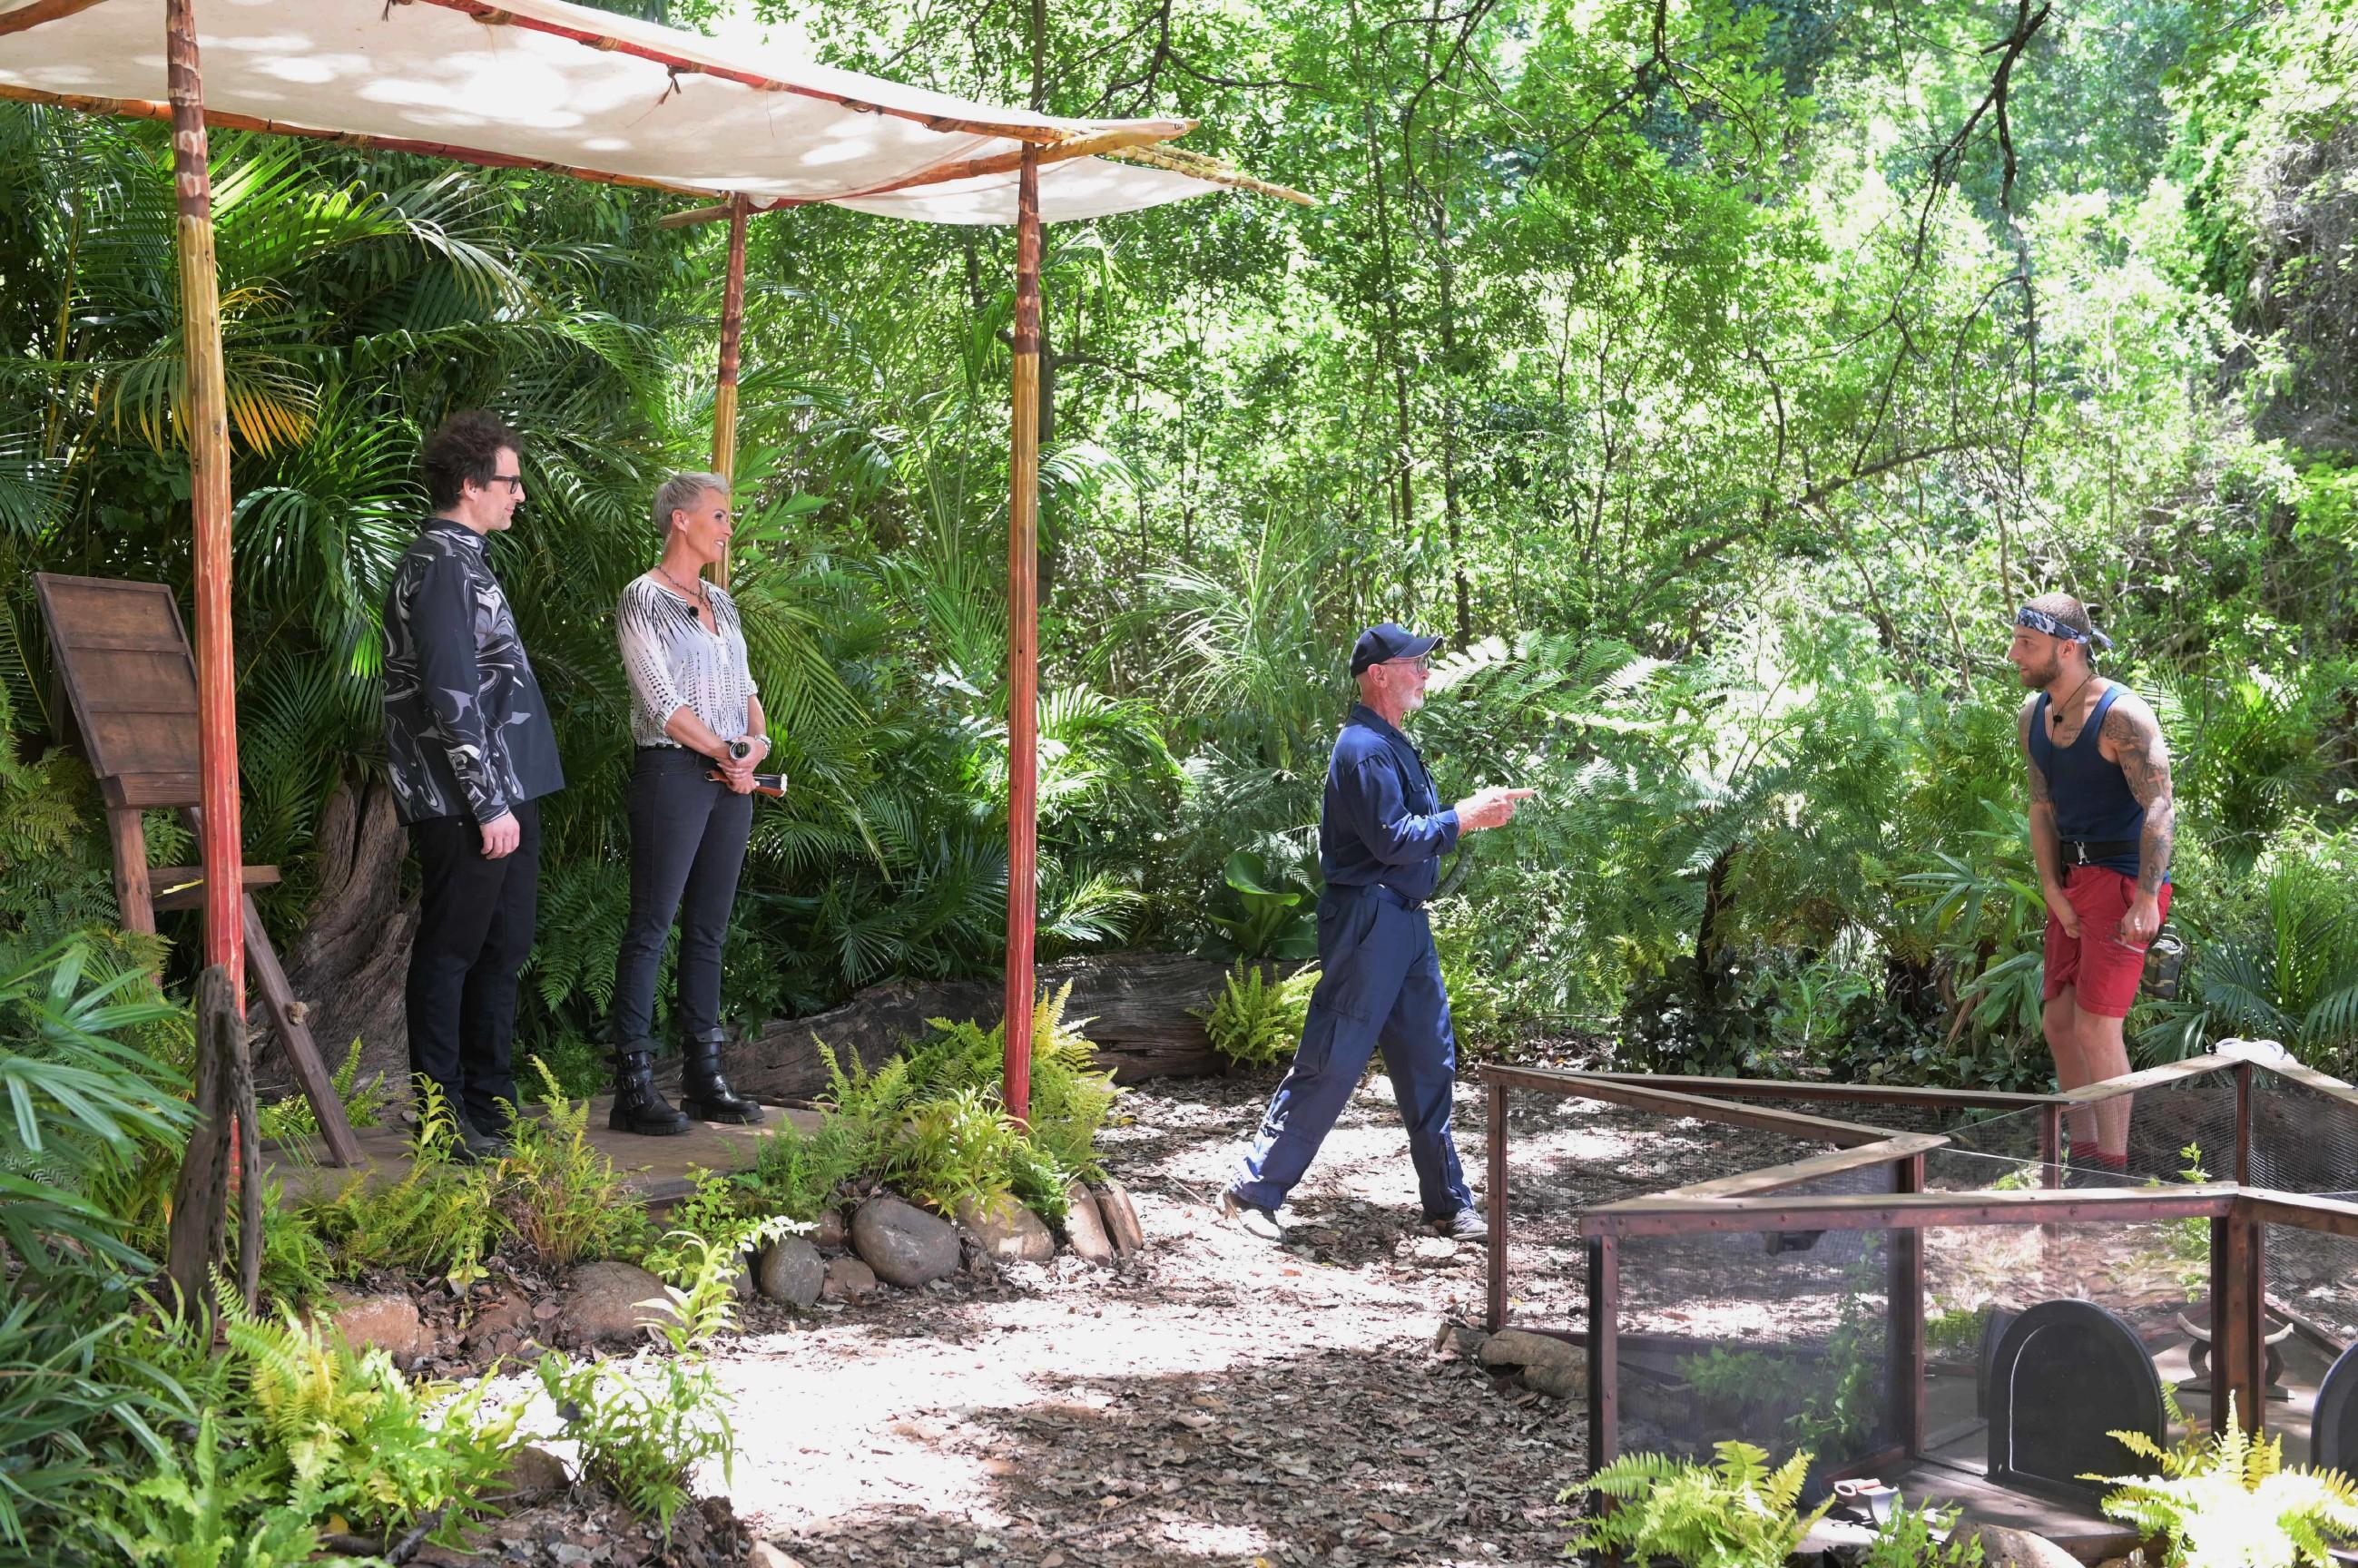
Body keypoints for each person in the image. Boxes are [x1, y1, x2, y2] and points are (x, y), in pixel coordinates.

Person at [1223, 622, 1534, 1241]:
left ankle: (1447, 1203)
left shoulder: (1391, 744)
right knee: (1334, 1059)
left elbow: (1416, 827)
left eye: (1423, 662)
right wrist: (1463, 818)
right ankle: (1253, 1191)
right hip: (1370, 918)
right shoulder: (1362, 748)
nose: (1424, 672)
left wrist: (1464, 814)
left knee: (1429, 1060)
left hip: (1405, 925)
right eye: (1414, 662)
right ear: (1379, 675)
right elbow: (1392, 840)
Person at [382, 411, 565, 1160]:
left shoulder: (469, 559)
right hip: (465, 801)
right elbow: (451, 692)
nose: (519, 496)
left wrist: (506, 798)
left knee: (503, 947)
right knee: (453, 951)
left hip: (507, 792)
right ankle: (441, 1115)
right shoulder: (438, 563)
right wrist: (487, 802)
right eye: (510, 482)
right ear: (469, 484)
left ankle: (491, 1103)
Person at [605, 472, 771, 1134]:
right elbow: (661, 703)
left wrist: (754, 747)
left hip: (731, 781)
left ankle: (706, 1078)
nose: (729, 528)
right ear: (680, 519)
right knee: (652, 926)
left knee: (708, 929)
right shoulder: (642, 599)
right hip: (673, 775)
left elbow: (749, 690)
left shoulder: (722, 604)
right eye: (720, 516)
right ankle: (633, 1088)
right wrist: (726, 754)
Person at [2008, 593, 2175, 1177]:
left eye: (2026, 644)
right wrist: (2051, 889)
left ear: (2068, 647)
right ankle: (2080, 1157)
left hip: (2124, 882)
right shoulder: (2034, 716)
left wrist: (2150, 897)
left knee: (2096, 1027)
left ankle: (2113, 1167)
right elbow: (2040, 807)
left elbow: (2159, 805)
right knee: (2058, 1023)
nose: (2014, 655)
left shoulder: (2123, 715)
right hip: (2072, 882)